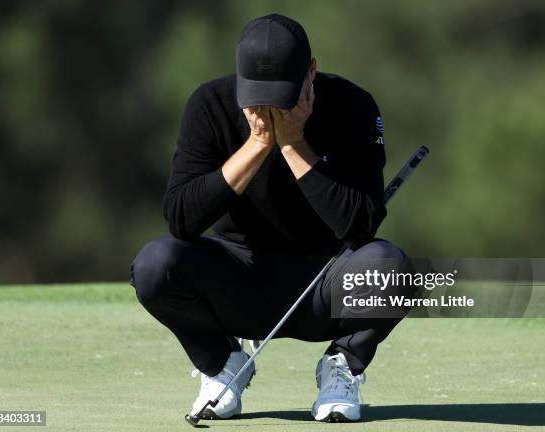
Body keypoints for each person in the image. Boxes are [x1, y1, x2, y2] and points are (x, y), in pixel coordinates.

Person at [131, 13, 412, 422]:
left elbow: (360, 224)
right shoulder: (209, 104)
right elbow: (181, 219)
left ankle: (343, 366)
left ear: (310, 72)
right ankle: (221, 364)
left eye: (282, 93)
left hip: (325, 282)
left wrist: (294, 143)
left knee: (391, 268)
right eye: (256, 93)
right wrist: (260, 142)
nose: (269, 105)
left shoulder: (353, 105)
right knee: (156, 264)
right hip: (238, 278)